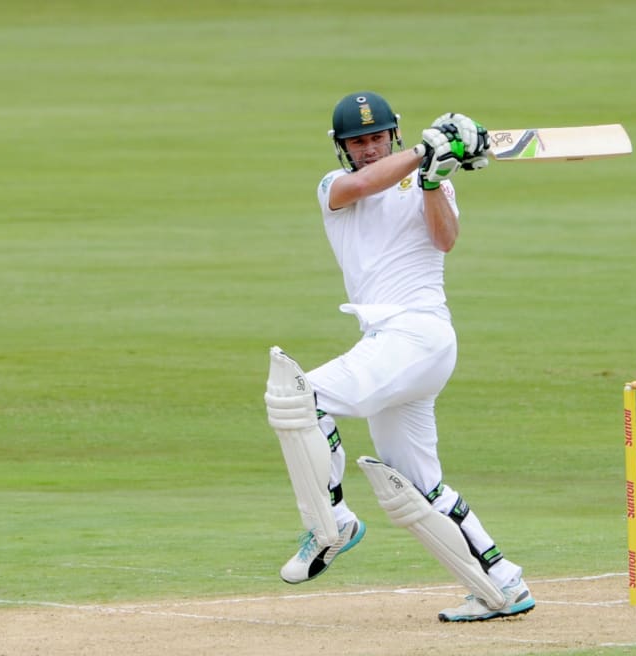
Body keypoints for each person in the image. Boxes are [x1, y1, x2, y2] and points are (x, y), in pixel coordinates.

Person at [262, 91, 535, 622]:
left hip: (418, 336)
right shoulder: (333, 186)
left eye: (377, 137)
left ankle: (333, 520)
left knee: (299, 398)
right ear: (342, 148)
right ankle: (502, 584)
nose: (368, 149)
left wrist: (432, 177)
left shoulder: (433, 177)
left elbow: (446, 239)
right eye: (357, 141)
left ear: (393, 132)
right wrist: (425, 151)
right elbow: (364, 184)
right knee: (416, 485)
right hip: (390, 346)